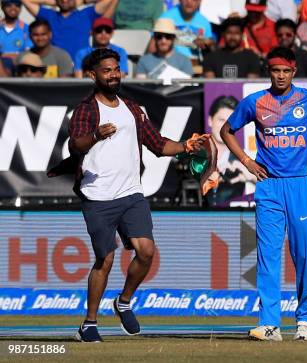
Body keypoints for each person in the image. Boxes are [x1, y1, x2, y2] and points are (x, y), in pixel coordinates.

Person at [66, 48, 209, 342]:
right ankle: (90, 323)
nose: (114, 74)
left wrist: (186, 146)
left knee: (146, 252)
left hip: (132, 193)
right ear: (93, 75)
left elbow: (157, 145)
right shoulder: (86, 109)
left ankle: (124, 301)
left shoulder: (133, 108)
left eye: (117, 68)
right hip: (97, 196)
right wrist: (95, 136)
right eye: (107, 70)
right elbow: (75, 146)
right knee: (104, 259)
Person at [220, 47, 307, 341]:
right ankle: (270, 324)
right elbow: (227, 131)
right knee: (267, 256)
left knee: (304, 254)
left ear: (293, 72)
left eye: (285, 71)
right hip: (268, 186)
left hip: (301, 184)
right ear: (270, 71)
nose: (280, 76)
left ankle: (305, 321)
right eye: (275, 70)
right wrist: (247, 161)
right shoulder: (255, 102)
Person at [21, 0, 119, 62]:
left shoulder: (87, 14)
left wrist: (83, 1)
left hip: (82, 64)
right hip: (57, 65)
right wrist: (54, 2)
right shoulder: (49, 15)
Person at [206, 95, 256, 206]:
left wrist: (252, 176)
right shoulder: (195, 153)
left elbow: (274, 186)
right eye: (221, 120)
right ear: (210, 120)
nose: (225, 126)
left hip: (229, 220)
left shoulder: (242, 159)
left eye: (230, 121)